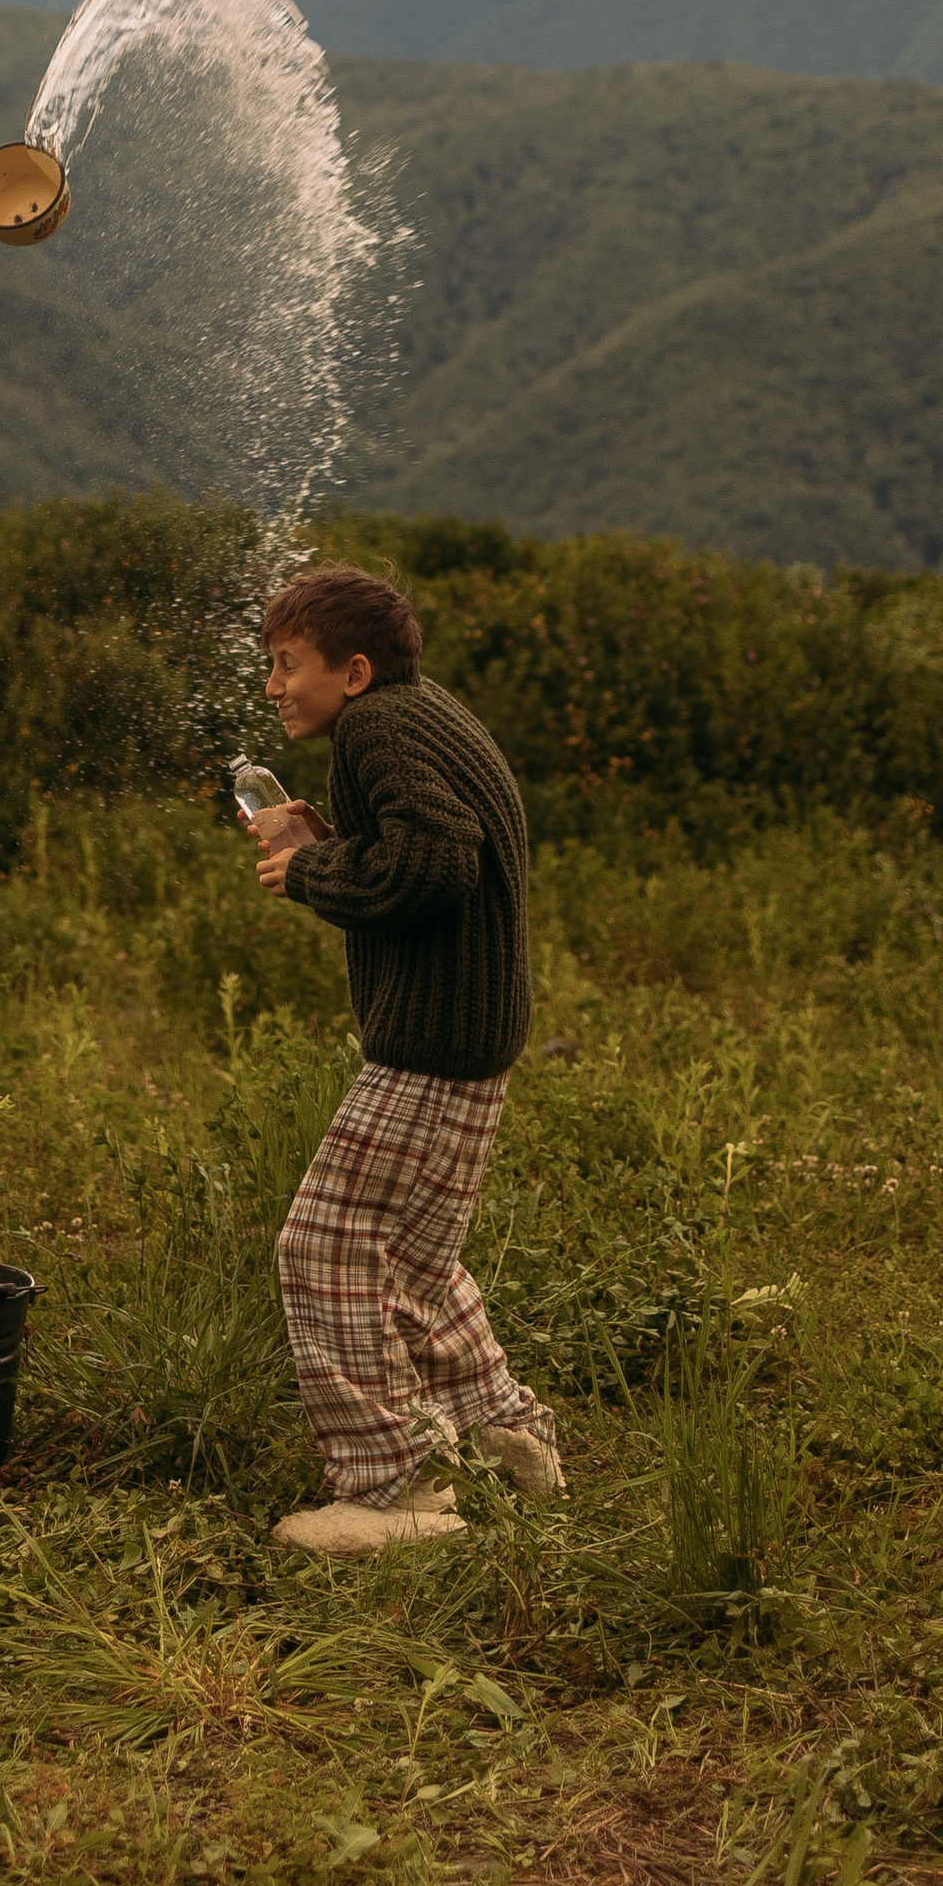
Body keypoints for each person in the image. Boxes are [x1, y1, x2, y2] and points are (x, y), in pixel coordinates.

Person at [243, 561, 563, 1558]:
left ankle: (394, 1493)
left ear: (353, 670)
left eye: (287, 664)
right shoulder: (420, 714)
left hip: (429, 1044)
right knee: (413, 1260)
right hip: (470, 1033)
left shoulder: (376, 727)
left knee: (322, 1245)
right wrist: (329, 843)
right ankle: (504, 1429)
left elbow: (433, 864)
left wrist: (311, 870)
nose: (272, 684)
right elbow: (429, 846)